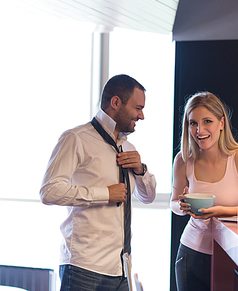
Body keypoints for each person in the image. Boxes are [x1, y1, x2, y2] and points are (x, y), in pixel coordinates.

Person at [40, 74, 156, 291]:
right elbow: (49, 191)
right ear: (115, 103)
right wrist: (105, 194)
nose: (142, 116)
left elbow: (148, 197)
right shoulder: (75, 138)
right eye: (138, 108)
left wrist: (141, 171)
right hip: (84, 267)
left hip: (121, 268)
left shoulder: (128, 148)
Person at [170, 91, 238, 291]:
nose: (199, 130)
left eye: (207, 121)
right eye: (193, 123)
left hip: (232, 253)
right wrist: (181, 206)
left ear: (222, 123)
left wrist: (222, 211)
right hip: (190, 253)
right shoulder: (183, 160)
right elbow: (173, 203)